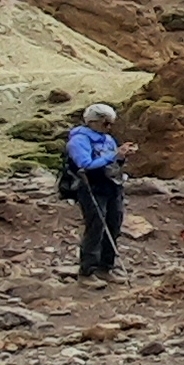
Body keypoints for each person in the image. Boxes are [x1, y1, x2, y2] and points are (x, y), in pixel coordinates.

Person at [63, 103, 129, 283]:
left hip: (112, 186)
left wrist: (121, 157)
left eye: (111, 124)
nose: (109, 128)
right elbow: (85, 164)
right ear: (92, 122)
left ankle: (106, 267)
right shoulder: (78, 140)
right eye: (105, 123)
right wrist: (114, 156)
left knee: (114, 224)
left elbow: (112, 163)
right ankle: (87, 270)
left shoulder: (108, 139)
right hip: (91, 187)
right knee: (96, 227)